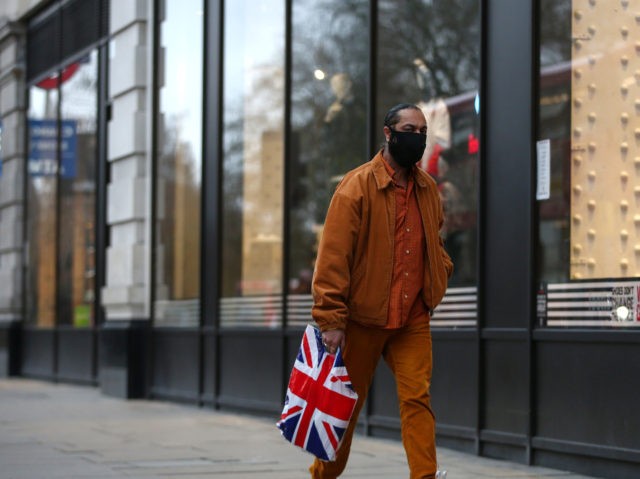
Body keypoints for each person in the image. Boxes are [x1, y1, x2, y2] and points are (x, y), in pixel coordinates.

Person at [310, 103, 453, 479]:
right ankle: (322, 476)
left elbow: (434, 246)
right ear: (389, 133)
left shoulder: (428, 189)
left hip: (412, 319)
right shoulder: (356, 187)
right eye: (410, 129)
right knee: (342, 409)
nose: (417, 137)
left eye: (423, 131)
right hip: (361, 320)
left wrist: (439, 276)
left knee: (417, 400)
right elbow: (333, 258)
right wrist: (331, 319)